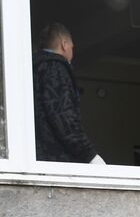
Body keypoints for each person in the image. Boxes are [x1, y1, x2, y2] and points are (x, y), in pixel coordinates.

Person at [34, 23, 103, 164]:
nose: (72, 50)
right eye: (72, 46)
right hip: (56, 160)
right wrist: (90, 155)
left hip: (37, 158)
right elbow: (63, 116)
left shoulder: (31, 69)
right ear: (64, 45)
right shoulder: (56, 68)